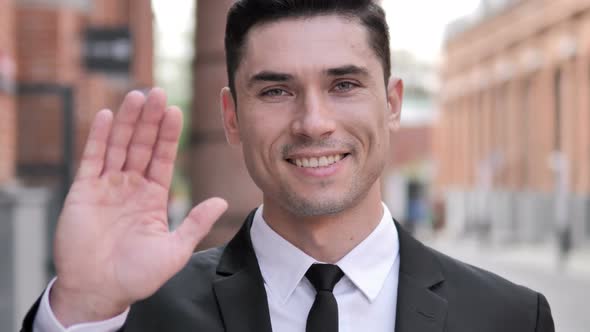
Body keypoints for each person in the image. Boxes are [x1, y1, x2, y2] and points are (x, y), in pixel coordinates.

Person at [22, 1, 555, 331]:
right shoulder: (134, 313)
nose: (313, 122)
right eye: (276, 90)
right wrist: (84, 307)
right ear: (231, 117)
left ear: (392, 103)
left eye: (343, 85)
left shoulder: (510, 318)